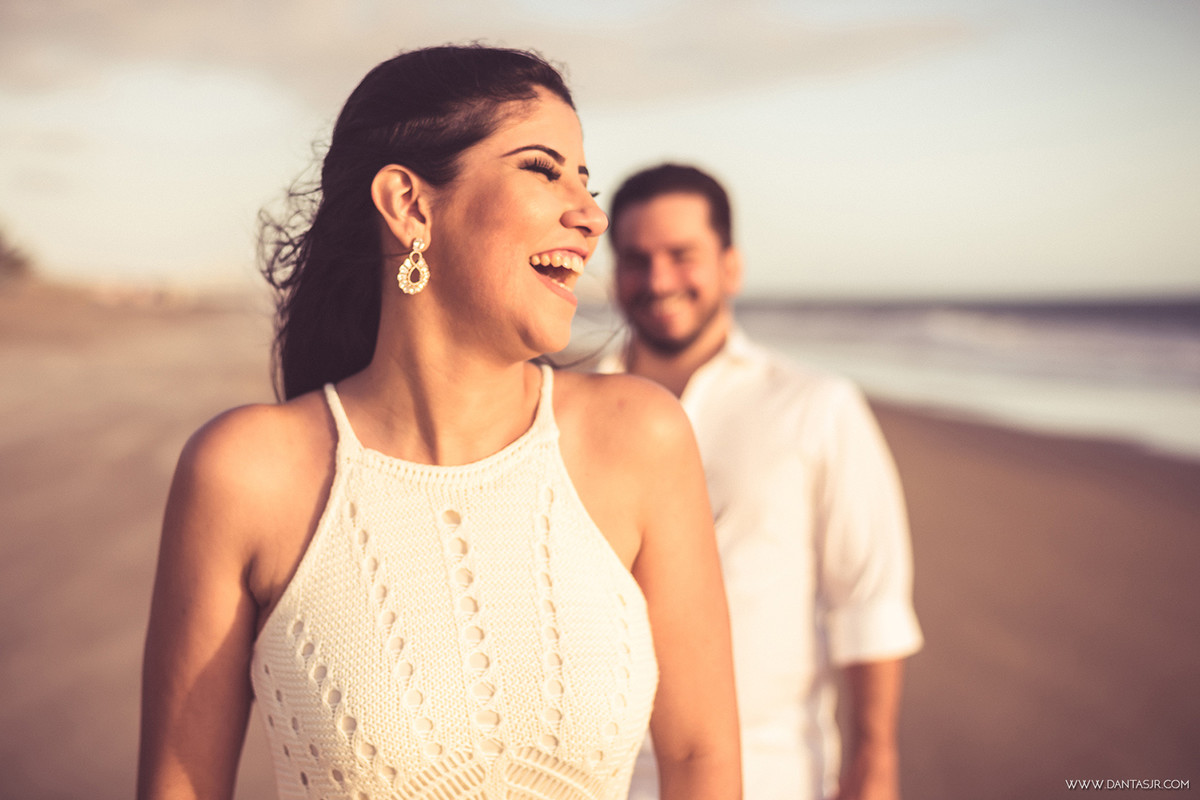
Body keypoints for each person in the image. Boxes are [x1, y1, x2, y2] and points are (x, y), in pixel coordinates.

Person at [137, 48, 740, 800]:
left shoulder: (641, 438)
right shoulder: (246, 473)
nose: (591, 215)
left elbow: (700, 760)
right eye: (544, 169)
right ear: (410, 204)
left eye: (585, 179)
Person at [600, 163, 923, 800]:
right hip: (595, 777)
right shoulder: (575, 407)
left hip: (772, 771)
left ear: (730, 266)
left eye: (681, 255)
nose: (659, 279)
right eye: (637, 259)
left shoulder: (816, 406)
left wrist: (873, 768)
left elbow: (869, 601)